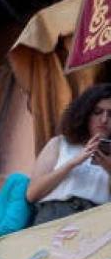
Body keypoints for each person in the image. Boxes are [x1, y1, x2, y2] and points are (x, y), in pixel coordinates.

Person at [27, 85, 111, 224]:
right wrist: (73, 163)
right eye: (97, 112)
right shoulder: (60, 143)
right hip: (54, 215)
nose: (104, 120)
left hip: (97, 221)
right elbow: (32, 194)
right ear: (85, 113)